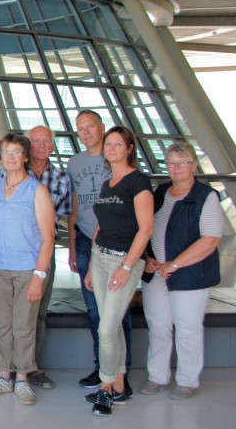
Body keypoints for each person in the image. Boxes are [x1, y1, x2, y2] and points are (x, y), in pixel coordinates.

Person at [140, 142, 224, 400]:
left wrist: (174, 265)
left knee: (187, 328)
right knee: (158, 326)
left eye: (181, 162)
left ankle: (187, 381)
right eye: (171, 163)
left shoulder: (205, 196)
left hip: (191, 275)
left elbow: (210, 240)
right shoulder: (160, 192)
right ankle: (157, 377)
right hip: (156, 273)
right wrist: (148, 258)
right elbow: (144, 228)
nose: (175, 167)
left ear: (193, 165)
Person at [0, 134, 55, 405]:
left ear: (25, 156)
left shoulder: (37, 190)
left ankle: (22, 378)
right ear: (0, 157)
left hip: (27, 269)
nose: (10, 157)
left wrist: (39, 275)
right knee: (2, 325)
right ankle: (3, 376)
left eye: (15, 152)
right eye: (5, 152)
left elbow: (48, 238)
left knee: (23, 325)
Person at [83, 126, 153, 416]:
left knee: (107, 328)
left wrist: (126, 267)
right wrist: (91, 265)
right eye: (108, 144)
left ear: (129, 148)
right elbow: (102, 224)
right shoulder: (108, 183)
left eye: (117, 144)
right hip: (100, 259)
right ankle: (120, 384)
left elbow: (146, 228)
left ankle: (105, 388)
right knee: (111, 325)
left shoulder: (138, 182)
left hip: (123, 262)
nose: (111, 148)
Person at [67, 110, 131, 389]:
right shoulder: (74, 162)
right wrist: (71, 247)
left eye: (90, 126)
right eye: (80, 128)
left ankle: (120, 375)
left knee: (117, 313)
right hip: (84, 240)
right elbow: (74, 207)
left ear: (102, 127)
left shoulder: (116, 161)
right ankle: (102, 367)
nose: (86, 132)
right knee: (94, 310)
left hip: (116, 244)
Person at [23, 125, 70, 389]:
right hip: (16, 252)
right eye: (35, 140)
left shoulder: (61, 179)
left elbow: (61, 218)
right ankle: (5, 366)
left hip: (44, 252)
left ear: (52, 146)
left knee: (39, 312)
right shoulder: (14, 172)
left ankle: (31, 367)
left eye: (46, 141)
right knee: (14, 312)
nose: (41, 145)